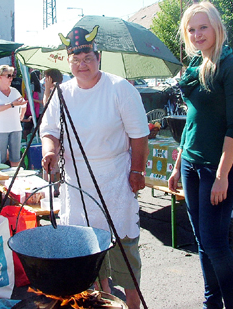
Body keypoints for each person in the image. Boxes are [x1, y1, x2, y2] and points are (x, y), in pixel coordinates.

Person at [40, 25, 149, 309]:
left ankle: (133, 304)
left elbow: (139, 134)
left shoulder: (119, 88)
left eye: (87, 57)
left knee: (124, 248)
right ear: (68, 62)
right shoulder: (61, 93)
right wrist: (50, 152)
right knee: (86, 248)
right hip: (77, 183)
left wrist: (137, 172)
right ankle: (103, 300)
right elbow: (50, 130)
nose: (82, 64)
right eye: (75, 59)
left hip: (114, 179)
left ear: (98, 57)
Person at [168, 2, 233, 308]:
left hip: (217, 170)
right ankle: (210, 304)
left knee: (215, 244)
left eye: (203, 27)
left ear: (216, 28)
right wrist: (177, 165)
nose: (198, 34)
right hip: (190, 165)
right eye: (192, 29)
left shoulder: (231, 67)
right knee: (203, 243)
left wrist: (222, 176)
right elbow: (193, 120)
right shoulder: (195, 67)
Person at [0, 65, 27, 166]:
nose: (11, 78)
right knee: (1, 159)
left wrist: (21, 115)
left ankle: (16, 179)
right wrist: (12, 104)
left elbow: (24, 104)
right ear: (0, 77)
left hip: (15, 128)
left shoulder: (14, 91)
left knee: (16, 158)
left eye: (12, 75)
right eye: (8, 76)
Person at [22, 70, 43, 140]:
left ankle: (27, 142)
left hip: (32, 110)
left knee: (28, 129)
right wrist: (39, 101)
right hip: (39, 110)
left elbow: (27, 97)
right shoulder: (41, 86)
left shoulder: (29, 86)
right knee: (39, 128)